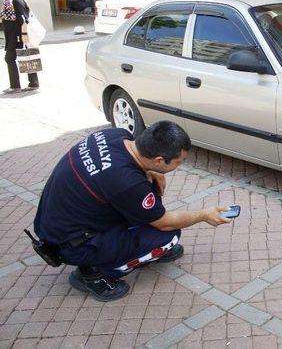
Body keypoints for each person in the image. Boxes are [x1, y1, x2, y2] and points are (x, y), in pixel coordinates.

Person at [33, 121, 232, 302]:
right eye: (178, 162)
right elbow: (165, 222)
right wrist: (203, 215)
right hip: (71, 244)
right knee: (168, 236)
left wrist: (149, 171)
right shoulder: (127, 183)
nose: (179, 165)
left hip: (56, 223)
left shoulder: (116, 135)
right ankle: (92, 273)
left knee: (148, 188)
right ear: (159, 160)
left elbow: (115, 172)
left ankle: (113, 251)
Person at [1, 0, 39, 94]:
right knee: (26, 56)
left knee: (11, 58)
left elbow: (24, 20)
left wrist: (24, 34)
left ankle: (15, 86)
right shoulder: (8, 1)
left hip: (18, 35)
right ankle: (33, 83)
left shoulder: (17, 0)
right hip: (12, 34)